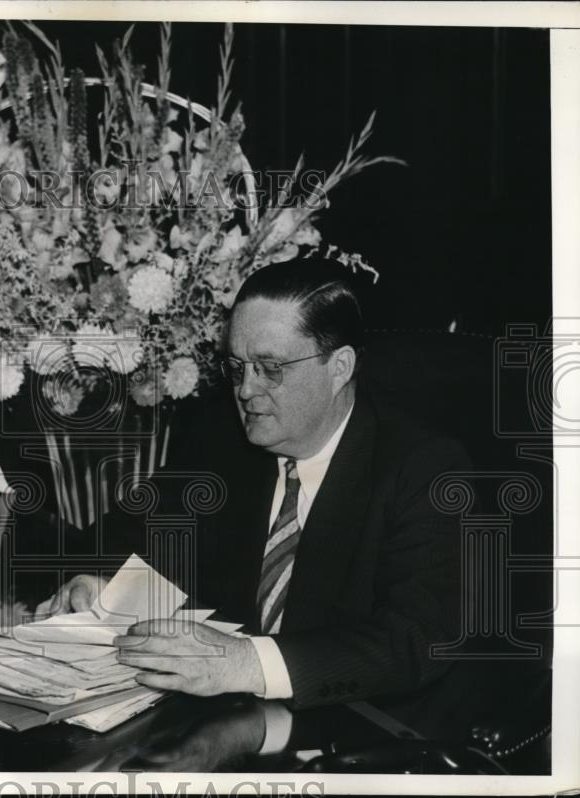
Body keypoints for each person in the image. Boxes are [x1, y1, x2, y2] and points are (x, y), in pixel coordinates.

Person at [38, 255, 469, 710]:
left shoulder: (426, 469)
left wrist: (244, 662)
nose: (244, 390)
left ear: (339, 367)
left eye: (270, 368)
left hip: (349, 737)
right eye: (237, 366)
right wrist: (103, 585)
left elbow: (415, 641)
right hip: (219, 722)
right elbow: (134, 534)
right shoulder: (225, 439)